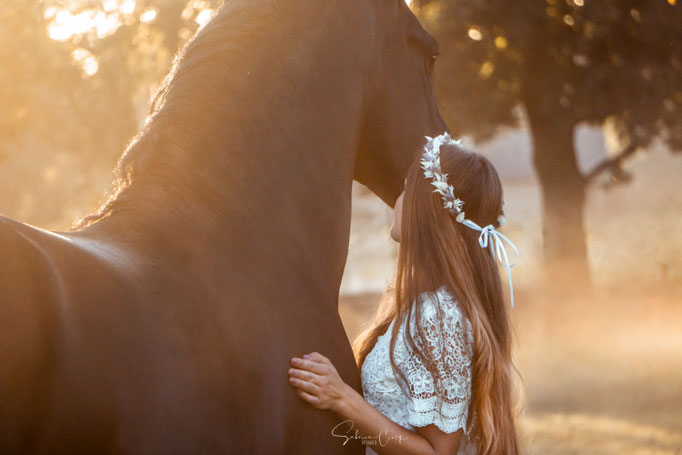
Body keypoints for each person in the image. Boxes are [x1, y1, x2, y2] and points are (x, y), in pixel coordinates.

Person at [287, 133, 521, 454]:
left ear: (427, 210)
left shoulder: (440, 315)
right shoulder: (424, 304)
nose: (396, 199)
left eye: (408, 189)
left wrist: (341, 397)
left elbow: (438, 453)